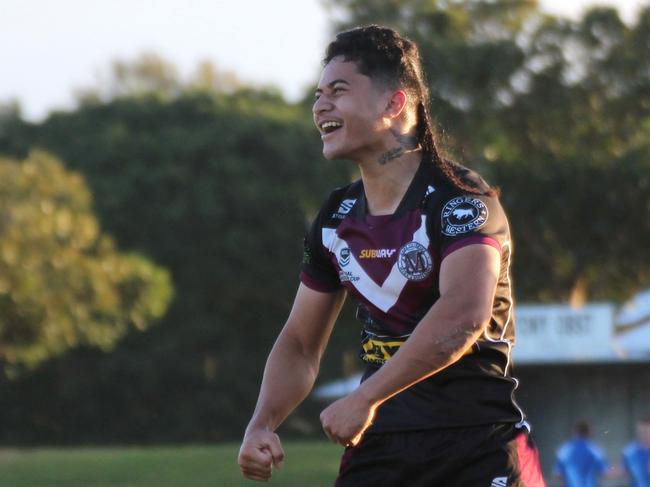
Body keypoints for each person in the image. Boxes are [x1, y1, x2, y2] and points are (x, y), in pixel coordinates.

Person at [238, 25, 546, 486]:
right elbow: (301, 344)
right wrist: (261, 423)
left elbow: (463, 315)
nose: (320, 105)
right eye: (318, 94)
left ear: (394, 104)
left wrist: (366, 399)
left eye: (338, 91)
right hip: (380, 450)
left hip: (478, 444)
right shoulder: (335, 217)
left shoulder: (461, 200)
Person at [553, 420, 609, 487]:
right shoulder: (594, 450)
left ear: (575, 432)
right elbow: (604, 472)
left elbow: (558, 474)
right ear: (589, 432)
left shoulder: (565, 450)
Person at [622, 416, 650, 487]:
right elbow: (624, 469)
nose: (644, 434)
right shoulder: (629, 451)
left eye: (646, 431)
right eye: (642, 431)